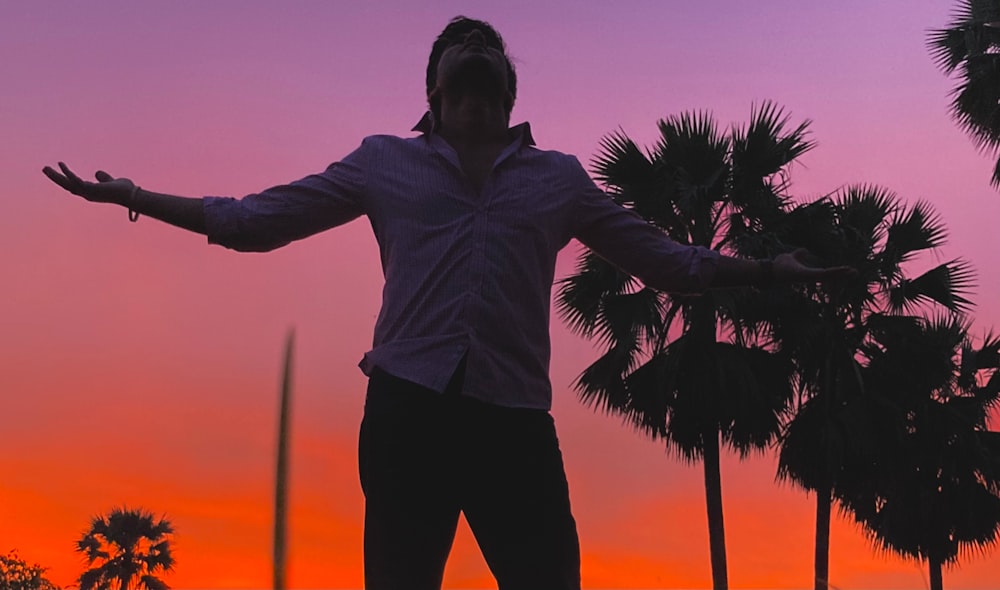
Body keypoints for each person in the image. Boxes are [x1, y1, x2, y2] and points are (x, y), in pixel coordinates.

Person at [44, 16, 853, 590]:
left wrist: (770, 272)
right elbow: (257, 221)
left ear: (508, 88)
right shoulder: (382, 163)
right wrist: (136, 196)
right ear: (431, 90)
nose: (473, 54)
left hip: (512, 421)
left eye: (488, 50)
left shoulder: (559, 179)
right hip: (407, 413)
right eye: (456, 51)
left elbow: (670, 263)